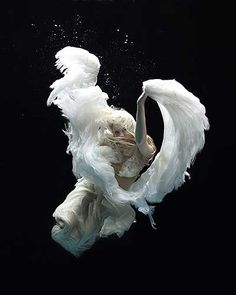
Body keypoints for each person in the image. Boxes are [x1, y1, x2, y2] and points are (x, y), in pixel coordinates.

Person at [47, 46, 209, 257]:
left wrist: (140, 104)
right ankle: (66, 227)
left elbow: (140, 136)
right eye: (118, 129)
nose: (120, 131)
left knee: (89, 227)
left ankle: (76, 237)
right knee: (71, 211)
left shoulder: (145, 149)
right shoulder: (113, 143)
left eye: (123, 128)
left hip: (114, 197)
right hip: (95, 184)